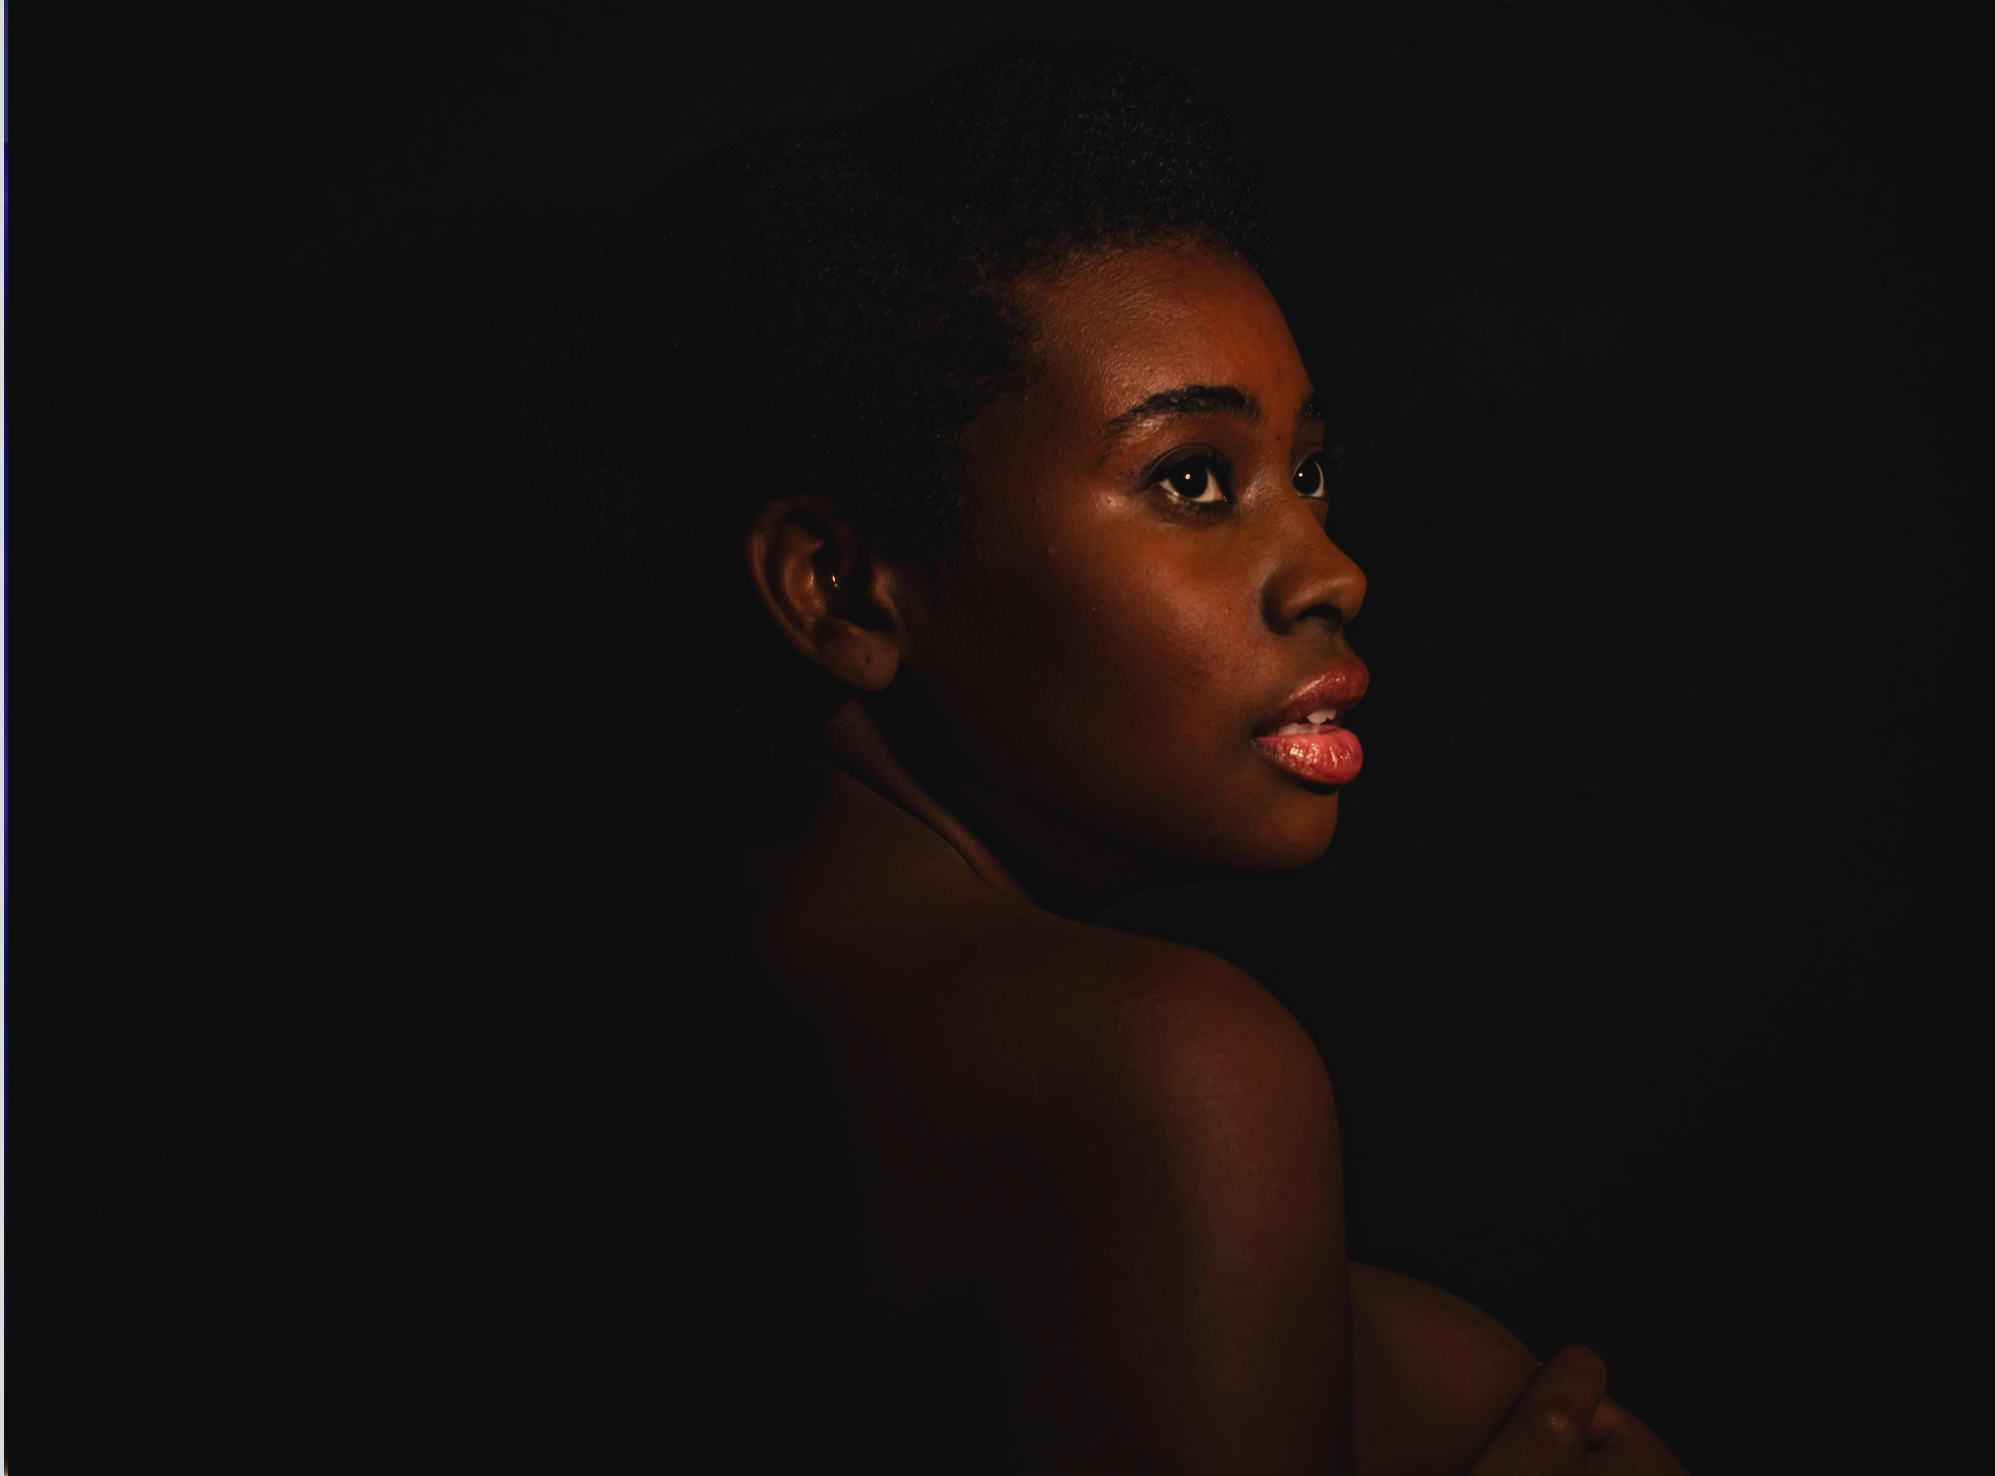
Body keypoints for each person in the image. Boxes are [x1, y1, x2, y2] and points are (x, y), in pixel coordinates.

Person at [534, 37, 1689, 1474]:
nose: (1328, 570)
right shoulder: (1159, 1067)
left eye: (1306, 471)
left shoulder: (711, 1022)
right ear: (837, 587)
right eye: (1190, 479)